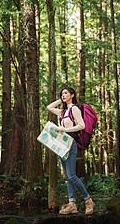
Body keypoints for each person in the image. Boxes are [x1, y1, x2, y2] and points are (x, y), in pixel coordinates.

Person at [47, 86, 95, 215]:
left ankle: (88, 200)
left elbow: (82, 125)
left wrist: (64, 130)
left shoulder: (74, 109)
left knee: (72, 175)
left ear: (72, 95)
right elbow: (49, 108)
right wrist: (61, 100)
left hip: (71, 143)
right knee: (68, 177)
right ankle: (72, 204)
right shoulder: (63, 111)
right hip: (62, 144)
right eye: (62, 94)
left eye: (66, 93)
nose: (63, 95)